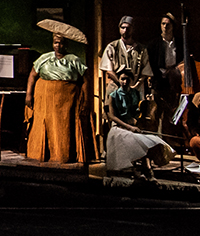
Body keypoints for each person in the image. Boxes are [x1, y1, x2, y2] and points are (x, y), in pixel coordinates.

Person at [26, 24, 94, 164]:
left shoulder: (73, 60)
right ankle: (41, 154)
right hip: (45, 100)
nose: (58, 46)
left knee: (63, 128)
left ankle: (63, 155)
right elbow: (32, 75)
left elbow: (86, 79)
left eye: (61, 43)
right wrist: (29, 94)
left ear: (66, 44)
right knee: (44, 125)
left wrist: (87, 100)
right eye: (56, 42)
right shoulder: (45, 58)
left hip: (66, 102)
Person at [99, 16, 153, 126]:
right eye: (123, 27)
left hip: (135, 88)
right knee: (114, 119)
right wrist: (122, 83)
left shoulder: (141, 49)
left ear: (133, 29)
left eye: (128, 28)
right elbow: (109, 70)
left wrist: (135, 85)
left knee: (135, 119)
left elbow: (145, 71)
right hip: (117, 87)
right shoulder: (112, 47)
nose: (125, 30)